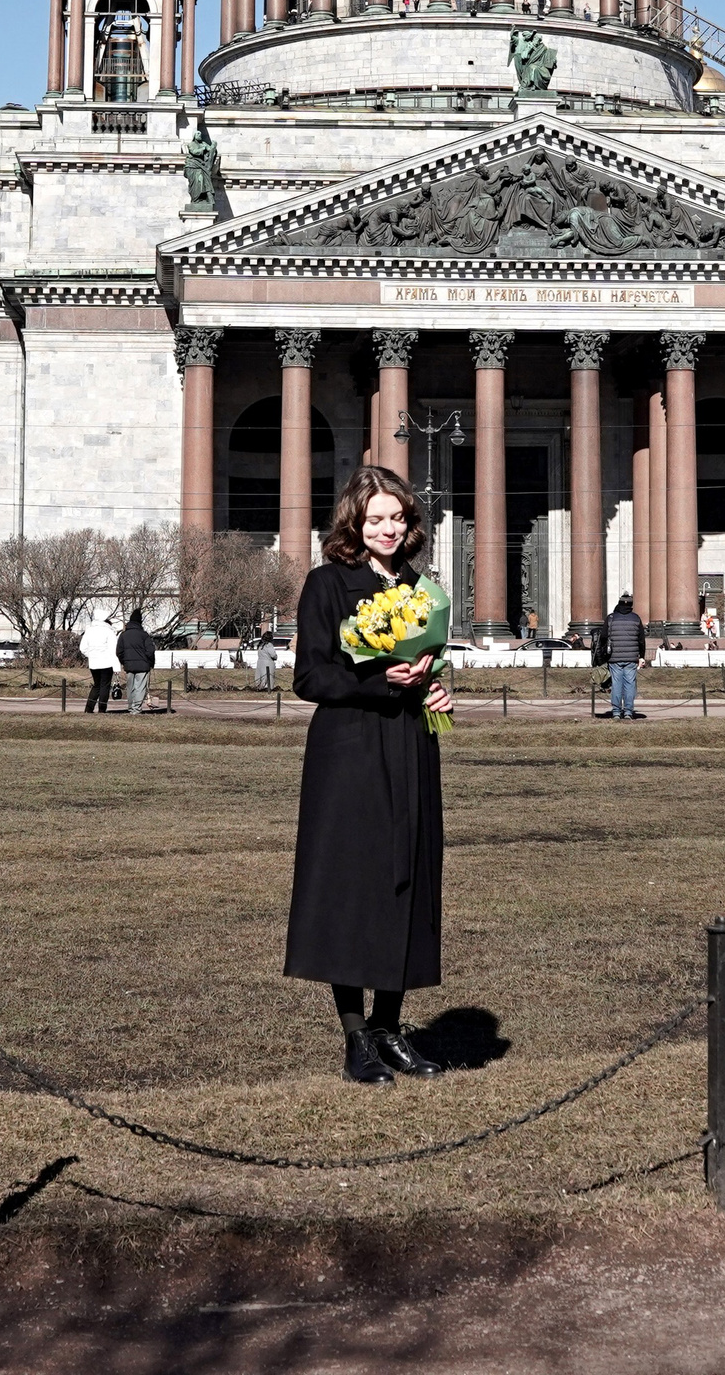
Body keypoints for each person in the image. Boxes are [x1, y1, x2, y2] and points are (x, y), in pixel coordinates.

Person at [284, 465, 454, 1087]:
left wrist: (438, 691)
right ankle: (356, 1036)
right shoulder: (329, 583)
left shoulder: (420, 588)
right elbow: (310, 677)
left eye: (398, 518)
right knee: (353, 885)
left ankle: (391, 1026)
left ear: (411, 524)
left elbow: (429, 662)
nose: (387, 528)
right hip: (350, 751)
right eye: (376, 518)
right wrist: (383, 682)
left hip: (411, 744)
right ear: (355, 521)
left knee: (404, 878)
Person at [603, 592, 646, 720]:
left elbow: (604, 637)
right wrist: (641, 656)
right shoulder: (636, 618)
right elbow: (641, 640)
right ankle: (628, 711)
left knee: (616, 684)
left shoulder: (611, 618)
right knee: (630, 685)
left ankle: (616, 712)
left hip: (614, 657)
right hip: (631, 658)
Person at [117, 607, 156, 716]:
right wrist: (150, 663)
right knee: (140, 688)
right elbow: (150, 651)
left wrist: (124, 662)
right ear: (140, 621)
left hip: (129, 665)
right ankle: (136, 709)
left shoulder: (123, 635)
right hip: (143, 665)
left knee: (130, 687)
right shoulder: (144, 635)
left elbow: (119, 651)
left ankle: (130, 707)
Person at [80, 610, 119, 713]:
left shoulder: (89, 631)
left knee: (96, 685)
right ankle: (102, 709)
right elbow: (113, 650)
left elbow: (83, 648)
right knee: (104, 686)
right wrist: (116, 667)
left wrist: (92, 655)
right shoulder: (109, 632)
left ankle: (89, 708)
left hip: (94, 663)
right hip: (107, 662)